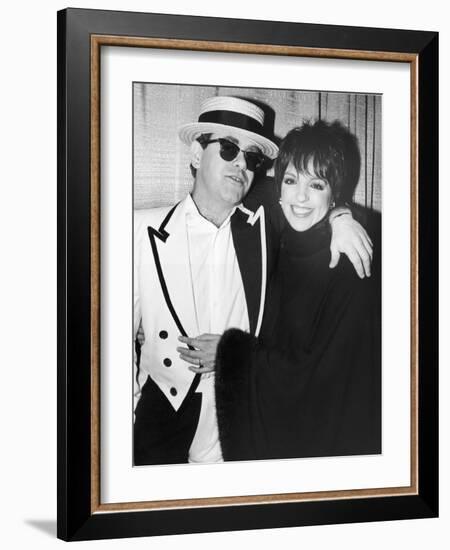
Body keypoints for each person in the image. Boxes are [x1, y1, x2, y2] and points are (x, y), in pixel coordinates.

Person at [134, 97, 373, 465]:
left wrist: (343, 215)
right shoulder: (139, 229)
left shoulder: (263, 221)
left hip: (240, 414)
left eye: (252, 157)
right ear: (197, 154)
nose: (240, 164)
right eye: (228, 148)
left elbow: (312, 189)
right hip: (162, 414)